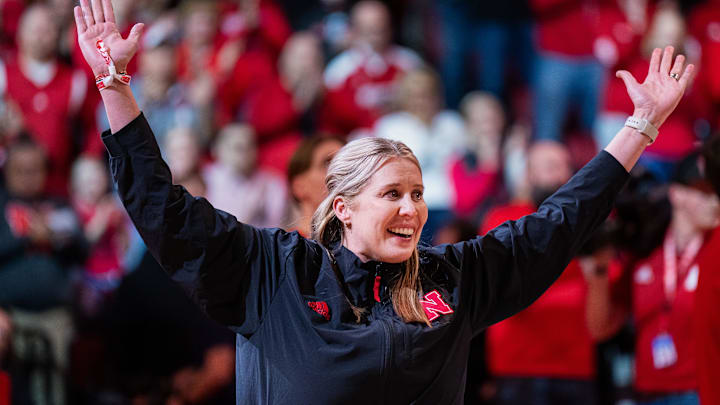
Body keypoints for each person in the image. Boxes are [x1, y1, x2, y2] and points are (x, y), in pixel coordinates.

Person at [74, 0, 693, 402]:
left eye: (418, 194)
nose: (412, 209)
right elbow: (163, 208)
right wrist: (113, 84)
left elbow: (560, 223)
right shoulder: (274, 273)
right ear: (342, 207)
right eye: (392, 193)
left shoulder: (455, 278)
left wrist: (640, 127)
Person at [584, 152, 720, 405]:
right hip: (646, 393)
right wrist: (599, 274)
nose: (714, 202)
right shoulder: (646, 253)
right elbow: (601, 328)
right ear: (676, 194)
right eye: (704, 192)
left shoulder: (715, 250)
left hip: (702, 392)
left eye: (717, 193)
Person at [287, 135, 345, 237]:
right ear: (299, 186)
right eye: (327, 163)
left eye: (346, 163)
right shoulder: (282, 250)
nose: (342, 171)